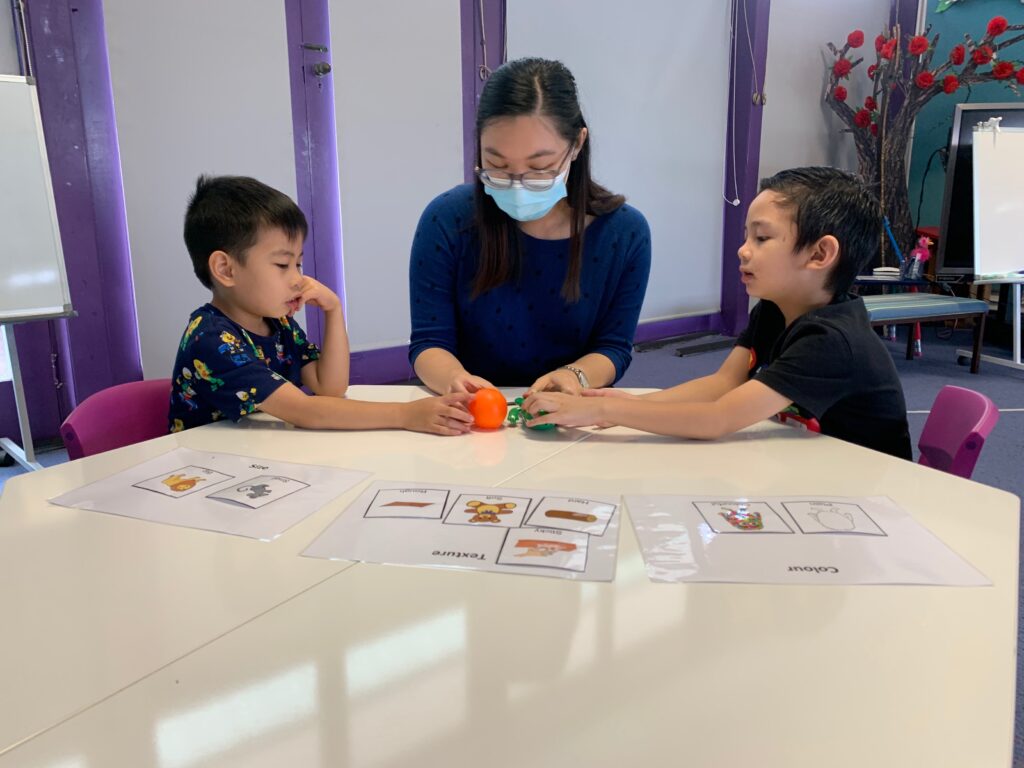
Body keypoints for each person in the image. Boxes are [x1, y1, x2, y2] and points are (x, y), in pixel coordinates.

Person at [522, 166, 913, 459]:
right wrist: (626, 408)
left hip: (865, 491)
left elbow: (719, 418)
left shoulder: (833, 341)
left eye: (761, 238)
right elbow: (723, 384)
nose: (743, 249)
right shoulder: (776, 311)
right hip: (815, 463)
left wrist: (607, 408)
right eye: (747, 236)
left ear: (819, 254)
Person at [409, 57, 651, 396]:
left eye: (540, 168)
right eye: (497, 165)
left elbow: (613, 347)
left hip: (569, 413)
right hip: (470, 414)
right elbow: (429, 341)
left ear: (578, 144)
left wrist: (573, 376)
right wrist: (454, 380)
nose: (517, 184)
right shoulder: (446, 220)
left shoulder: (624, 234)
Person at [168, 175, 472, 435]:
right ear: (225, 269)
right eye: (283, 264)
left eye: (298, 264)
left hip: (254, 461)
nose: (298, 279)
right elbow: (306, 411)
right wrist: (404, 415)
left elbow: (330, 388)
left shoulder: (278, 323)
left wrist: (333, 310)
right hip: (206, 474)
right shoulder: (211, 339)